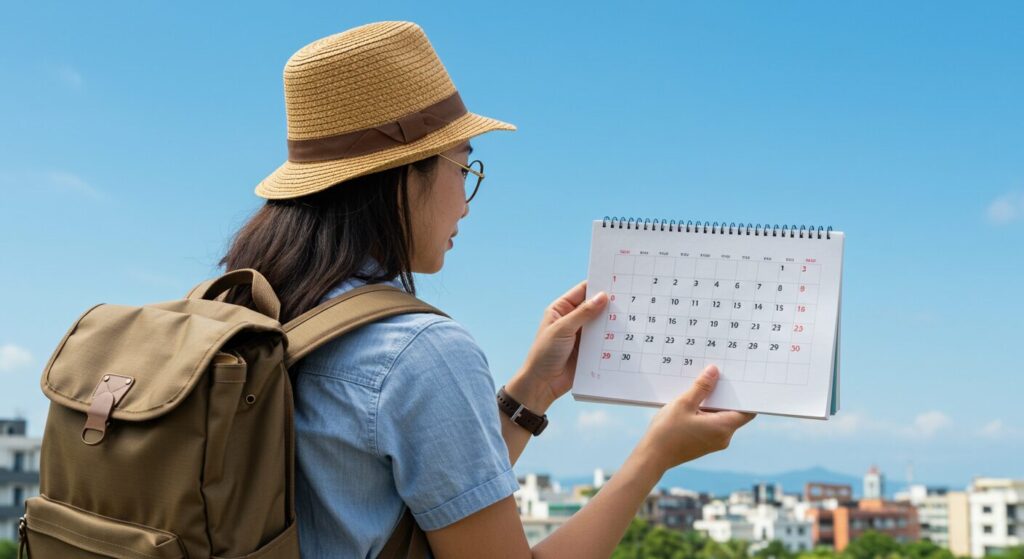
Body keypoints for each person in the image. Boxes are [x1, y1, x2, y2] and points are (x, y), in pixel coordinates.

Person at [220, 20, 756, 558]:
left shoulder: (244, 309)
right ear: (403, 176)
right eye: (463, 165)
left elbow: (428, 490)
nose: (467, 200)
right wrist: (655, 456)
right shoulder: (416, 351)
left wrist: (534, 390)